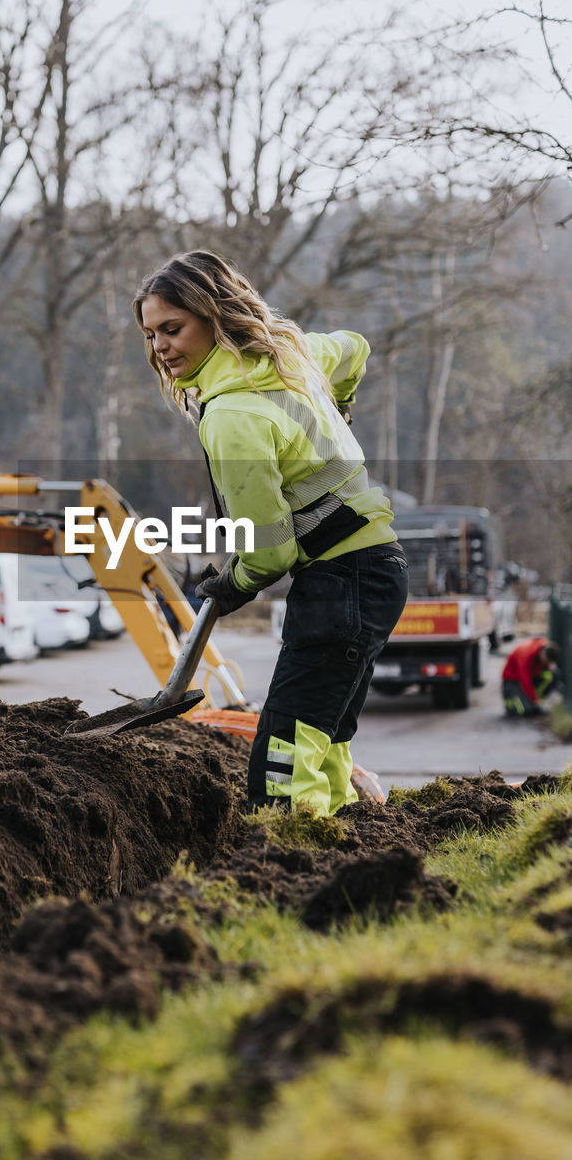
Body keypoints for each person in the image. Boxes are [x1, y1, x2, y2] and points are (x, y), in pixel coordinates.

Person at [133, 249, 409, 816]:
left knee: (281, 756)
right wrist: (341, 404)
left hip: (340, 578)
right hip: (376, 569)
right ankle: (338, 845)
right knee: (320, 734)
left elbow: (270, 550)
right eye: (151, 334)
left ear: (214, 316)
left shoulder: (233, 417)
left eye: (172, 328)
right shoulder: (293, 355)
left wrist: (235, 582)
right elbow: (354, 347)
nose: (159, 347)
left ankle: (288, 863)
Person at [502, 638, 563, 717]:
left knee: (553, 673)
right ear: (543, 654)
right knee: (525, 710)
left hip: (531, 676)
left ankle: (542, 700)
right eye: (546, 661)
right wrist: (535, 701)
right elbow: (525, 681)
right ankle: (511, 704)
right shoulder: (524, 654)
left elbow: (549, 668)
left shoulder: (543, 648)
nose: (546, 664)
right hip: (512, 681)